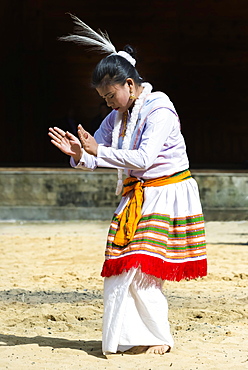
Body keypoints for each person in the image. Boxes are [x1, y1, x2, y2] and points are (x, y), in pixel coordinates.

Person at [48, 14, 207, 356]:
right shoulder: (115, 117)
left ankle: (157, 337)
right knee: (122, 269)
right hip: (137, 196)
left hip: (166, 193)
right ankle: (130, 338)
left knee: (141, 267)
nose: (108, 101)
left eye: (111, 94)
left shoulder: (160, 109)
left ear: (131, 85)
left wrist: (98, 151)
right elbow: (97, 154)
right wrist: (80, 154)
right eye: (103, 97)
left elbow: (144, 158)